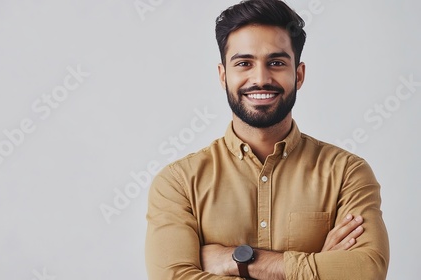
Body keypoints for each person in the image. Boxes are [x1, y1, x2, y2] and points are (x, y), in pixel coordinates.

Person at [144, 0, 390, 279]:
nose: (260, 78)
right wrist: (317, 264)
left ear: (298, 75)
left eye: (275, 62)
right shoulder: (178, 183)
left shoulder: (347, 173)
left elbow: (367, 271)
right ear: (224, 76)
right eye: (244, 63)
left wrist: (236, 260)